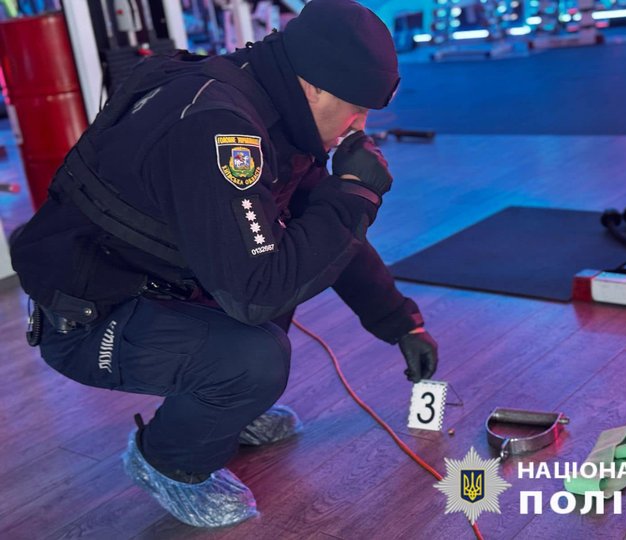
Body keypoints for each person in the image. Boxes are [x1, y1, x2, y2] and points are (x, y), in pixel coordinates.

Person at [10, 0, 438, 528]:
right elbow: (257, 293)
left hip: (151, 286)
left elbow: (324, 235)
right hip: (87, 319)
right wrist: (354, 195)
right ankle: (167, 460)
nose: (359, 127)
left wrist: (400, 322)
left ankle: (225, 412)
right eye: (356, 110)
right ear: (315, 87)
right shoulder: (221, 127)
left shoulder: (272, 107)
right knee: (255, 355)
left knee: (290, 258)